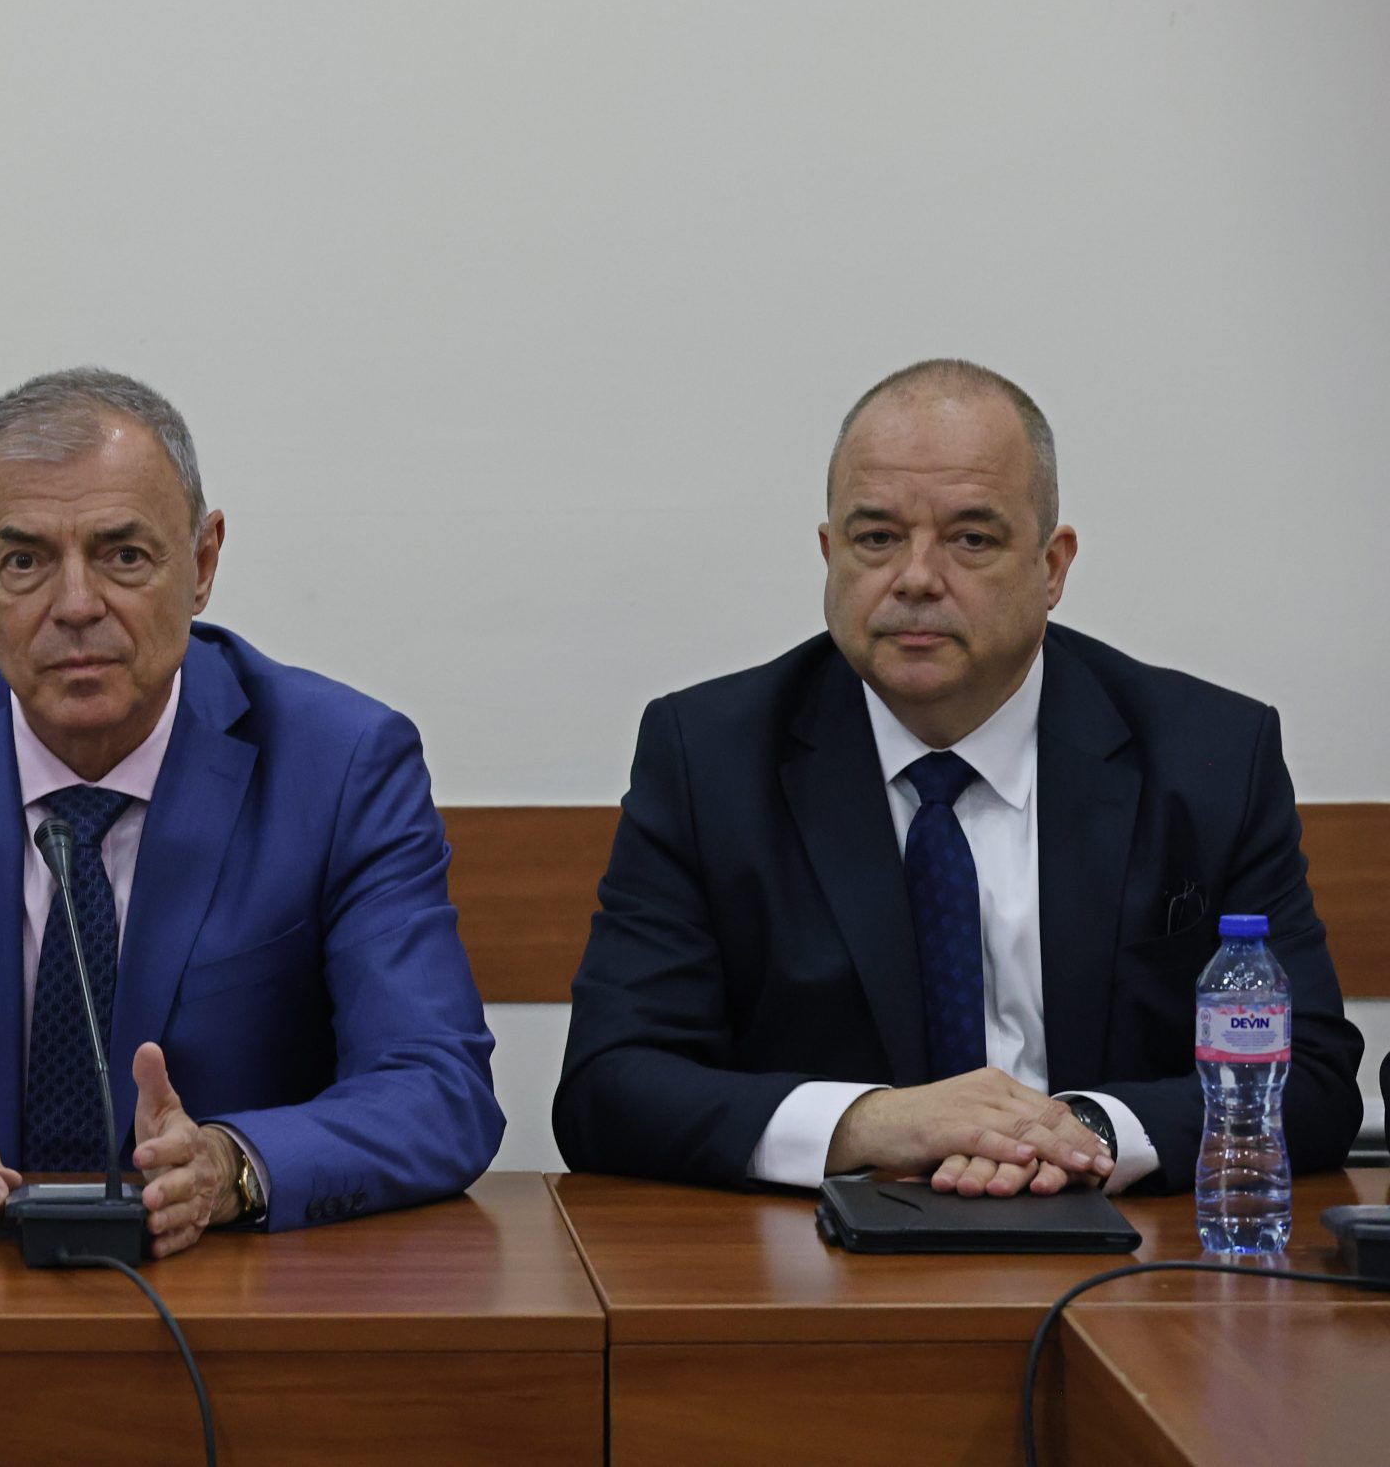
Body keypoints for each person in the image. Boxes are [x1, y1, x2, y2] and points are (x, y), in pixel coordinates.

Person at [0, 367, 501, 1255]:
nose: (76, 606)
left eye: (124, 556)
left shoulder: (339, 765)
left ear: (202, 564)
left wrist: (236, 1166)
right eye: (24, 562)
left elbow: (436, 1086)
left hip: (229, 1293)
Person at [554, 360, 1363, 1197]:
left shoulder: (1209, 758)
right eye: (877, 539)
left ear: (1053, 566)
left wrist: (1088, 1133)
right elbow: (608, 1085)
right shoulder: (711, 758)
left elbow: (1310, 1079)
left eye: (971, 539)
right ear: (830, 555)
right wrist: (867, 1123)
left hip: (1120, 1245)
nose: (915, 578)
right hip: (819, 1253)